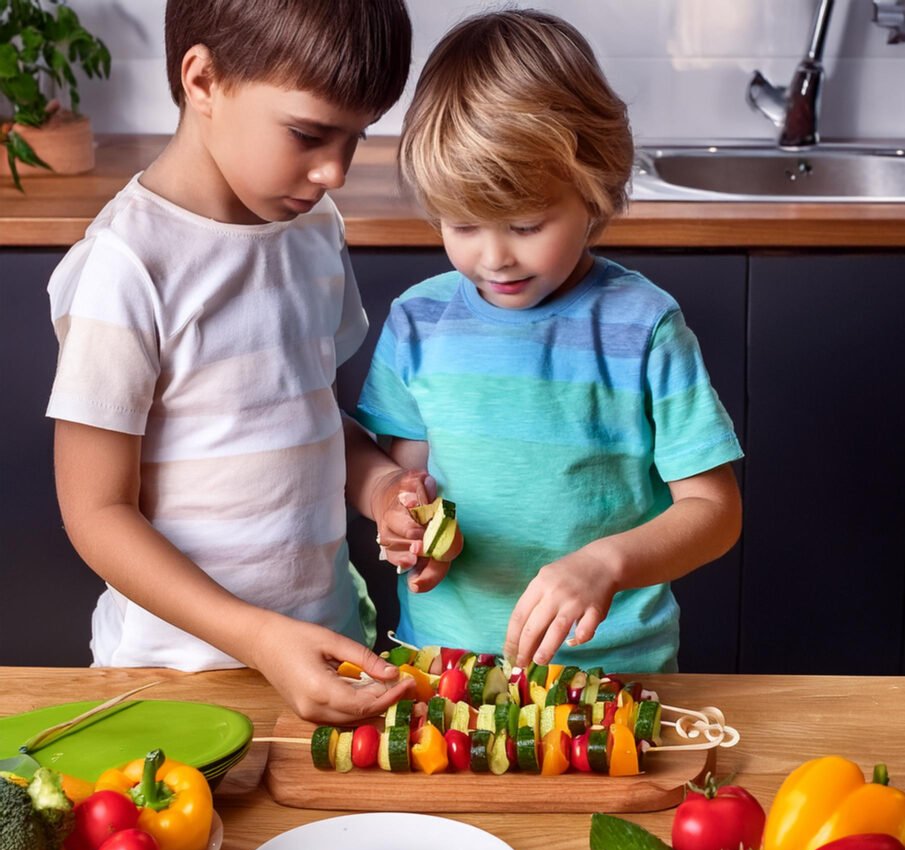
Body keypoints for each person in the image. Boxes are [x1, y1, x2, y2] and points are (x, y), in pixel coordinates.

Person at [45, 0, 427, 723]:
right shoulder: (127, 266)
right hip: (171, 678)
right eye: (310, 133)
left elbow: (313, 415)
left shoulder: (314, 228)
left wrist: (380, 489)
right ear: (203, 80)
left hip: (326, 652)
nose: (336, 171)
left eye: (358, 136)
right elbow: (96, 512)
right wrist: (258, 638)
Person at [358, 9, 744, 675]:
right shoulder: (417, 322)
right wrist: (408, 528)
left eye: (527, 224)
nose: (494, 256)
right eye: (462, 224)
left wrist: (607, 562)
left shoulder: (643, 328)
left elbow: (714, 510)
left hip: (612, 674)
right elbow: (408, 482)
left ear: (592, 187)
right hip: (443, 665)